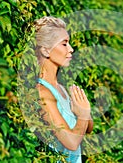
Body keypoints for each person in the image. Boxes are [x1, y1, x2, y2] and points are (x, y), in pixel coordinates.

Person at [34, 16, 93, 163]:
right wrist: (84, 114)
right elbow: (71, 143)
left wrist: (84, 112)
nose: (71, 49)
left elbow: (88, 128)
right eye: (64, 44)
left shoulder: (61, 88)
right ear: (46, 50)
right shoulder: (43, 93)